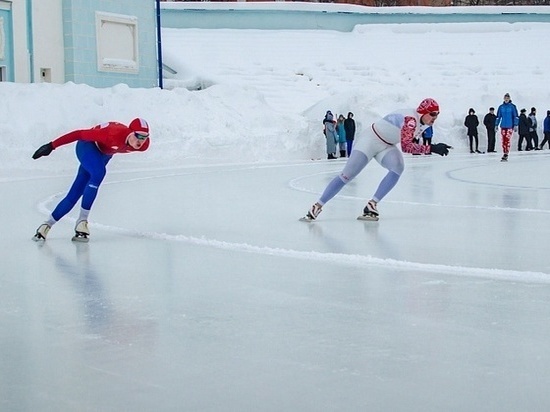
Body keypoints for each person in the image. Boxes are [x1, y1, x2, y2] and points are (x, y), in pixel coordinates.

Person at [300, 98, 452, 222]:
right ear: (424, 112)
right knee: (347, 175)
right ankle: (317, 206)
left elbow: (407, 141)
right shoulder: (411, 120)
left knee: (398, 167)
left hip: (386, 145)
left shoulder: (422, 121)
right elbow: (407, 147)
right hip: (369, 141)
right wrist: (431, 148)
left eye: (437, 114)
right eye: (432, 114)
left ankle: (372, 205)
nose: (435, 118)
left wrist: (431, 147)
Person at [31, 118, 151, 242]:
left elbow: (125, 145)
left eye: (145, 137)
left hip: (104, 155)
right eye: (138, 136)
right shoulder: (112, 133)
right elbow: (79, 134)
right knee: (99, 172)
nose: (141, 141)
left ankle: (46, 226)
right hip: (87, 146)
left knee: (76, 192)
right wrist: (51, 146)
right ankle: (82, 221)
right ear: (130, 132)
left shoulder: (143, 145)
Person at [495, 92, 519, 162]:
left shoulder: (512, 107)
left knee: (507, 139)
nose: (506, 99)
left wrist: (515, 125)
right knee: (503, 140)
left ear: (509, 99)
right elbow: (498, 117)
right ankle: (504, 151)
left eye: (507, 98)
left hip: (510, 126)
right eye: (505, 98)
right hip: (503, 126)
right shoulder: (501, 107)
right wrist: (496, 125)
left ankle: (506, 153)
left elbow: (516, 116)